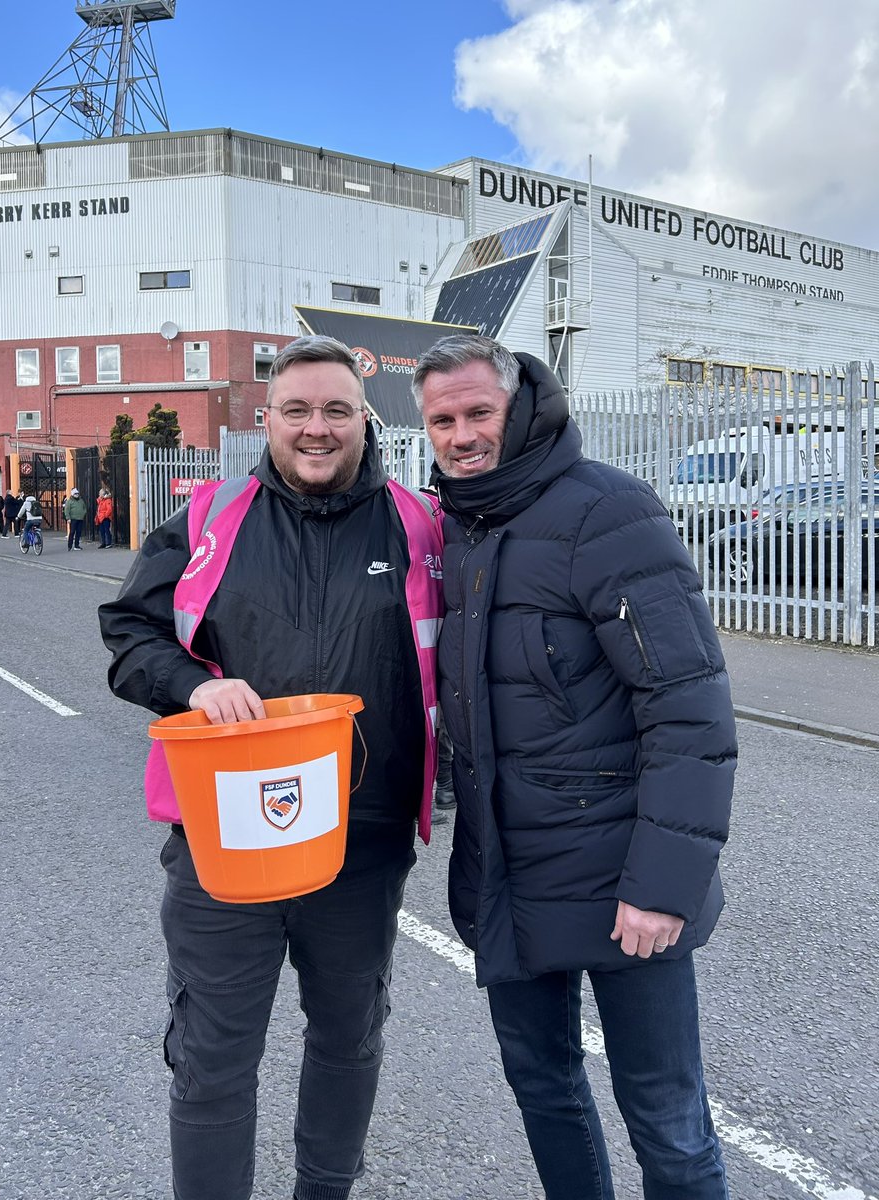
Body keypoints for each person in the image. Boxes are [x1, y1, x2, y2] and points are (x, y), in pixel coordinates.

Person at [98, 335, 443, 1200]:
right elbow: (129, 633)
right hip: (222, 846)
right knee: (214, 1057)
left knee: (347, 1040)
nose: (316, 429)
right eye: (298, 410)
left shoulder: (420, 526)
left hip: (360, 844)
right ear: (269, 419)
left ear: (365, 417)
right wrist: (190, 687)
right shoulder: (210, 518)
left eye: (336, 410)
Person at [414, 334, 737, 1200]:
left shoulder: (607, 512)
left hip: (620, 876)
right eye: (442, 419)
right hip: (507, 877)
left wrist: (664, 885)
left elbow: (687, 706)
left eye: (478, 412)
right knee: (545, 1094)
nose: (461, 435)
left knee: (668, 1124)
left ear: (521, 407)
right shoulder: (455, 529)